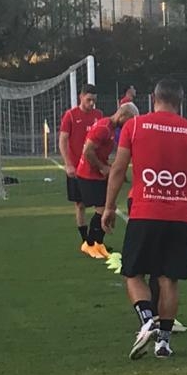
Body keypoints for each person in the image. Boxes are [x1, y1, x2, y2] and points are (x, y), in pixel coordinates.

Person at [102, 78, 187, 360]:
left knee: (132, 273)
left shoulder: (135, 126)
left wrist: (109, 207)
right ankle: (163, 343)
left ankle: (147, 320)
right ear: (180, 101)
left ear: (153, 99)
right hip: (179, 216)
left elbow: (118, 169)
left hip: (144, 211)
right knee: (169, 279)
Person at [74, 103, 139, 259]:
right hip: (89, 174)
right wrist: (102, 167)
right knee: (103, 209)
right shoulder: (103, 128)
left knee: (110, 206)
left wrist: (110, 168)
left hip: (96, 174)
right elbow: (88, 151)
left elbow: (99, 152)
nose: (129, 124)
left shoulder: (109, 128)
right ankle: (89, 244)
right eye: (130, 120)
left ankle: (98, 243)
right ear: (123, 115)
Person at [59, 83, 105, 255]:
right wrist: (68, 163)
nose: (91, 103)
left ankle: (96, 241)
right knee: (80, 204)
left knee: (101, 204)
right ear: (81, 97)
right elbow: (63, 140)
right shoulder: (70, 115)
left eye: (94, 100)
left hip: (93, 168)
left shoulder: (99, 115)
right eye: (88, 100)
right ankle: (86, 241)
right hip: (77, 169)